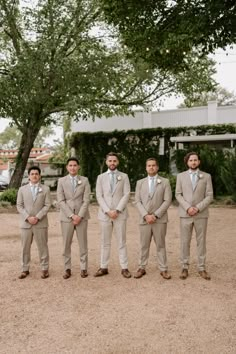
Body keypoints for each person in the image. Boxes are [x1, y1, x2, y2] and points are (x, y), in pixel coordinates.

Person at [175, 151, 213, 280]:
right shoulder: (180, 176)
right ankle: (184, 267)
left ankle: (202, 268)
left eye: (195, 160)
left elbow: (209, 195)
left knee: (201, 242)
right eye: (191, 160)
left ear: (199, 162)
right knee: (185, 241)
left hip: (201, 214)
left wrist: (197, 208)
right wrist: (188, 207)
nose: (193, 162)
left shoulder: (206, 176)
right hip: (185, 214)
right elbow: (178, 194)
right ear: (187, 162)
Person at [94, 152, 131, 278]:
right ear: (106, 162)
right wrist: (108, 211)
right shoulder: (100, 177)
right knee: (105, 242)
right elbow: (99, 195)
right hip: (105, 215)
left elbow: (126, 194)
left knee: (121, 242)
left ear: (118, 162)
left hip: (120, 214)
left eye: (114, 161)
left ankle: (124, 268)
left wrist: (117, 210)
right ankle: (103, 267)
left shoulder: (124, 176)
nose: (112, 163)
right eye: (110, 161)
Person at [134, 158, 172, 279]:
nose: (151, 167)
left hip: (159, 219)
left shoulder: (165, 182)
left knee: (160, 244)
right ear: (146, 168)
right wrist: (145, 215)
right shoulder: (140, 182)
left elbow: (167, 200)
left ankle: (163, 269)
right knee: (143, 245)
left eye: (153, 165)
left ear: (157, 167)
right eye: (149, 165)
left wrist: (155, 215)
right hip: (144, 219)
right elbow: (137, 201)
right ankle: (141, 267)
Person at [57, 157, 90, 279]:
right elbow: (61, 200)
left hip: (82, 217)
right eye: (70, 165)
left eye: (75, 165)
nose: (72, 167)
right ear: (67, 167)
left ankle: (83, 268)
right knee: (66, 244)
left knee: (83, 243)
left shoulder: (85, 180)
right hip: (67, 217)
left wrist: (79, 216)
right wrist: (71, 215)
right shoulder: (61, 181)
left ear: (78, 167)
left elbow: (86, 200)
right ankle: (67, 269)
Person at [17, 166, 51, 279]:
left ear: (40, 175)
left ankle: (45, 269)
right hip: (25, 224)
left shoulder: (45, 189)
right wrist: (28, 217)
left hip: (40, 223)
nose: (34, 175)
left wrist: (37, 217)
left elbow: (47, 205)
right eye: (32, 174)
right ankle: (24, 269)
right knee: (25, 247)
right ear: (29, 176)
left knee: (43, 246)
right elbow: (19, 206)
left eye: (36, 173)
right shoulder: (22, 189)